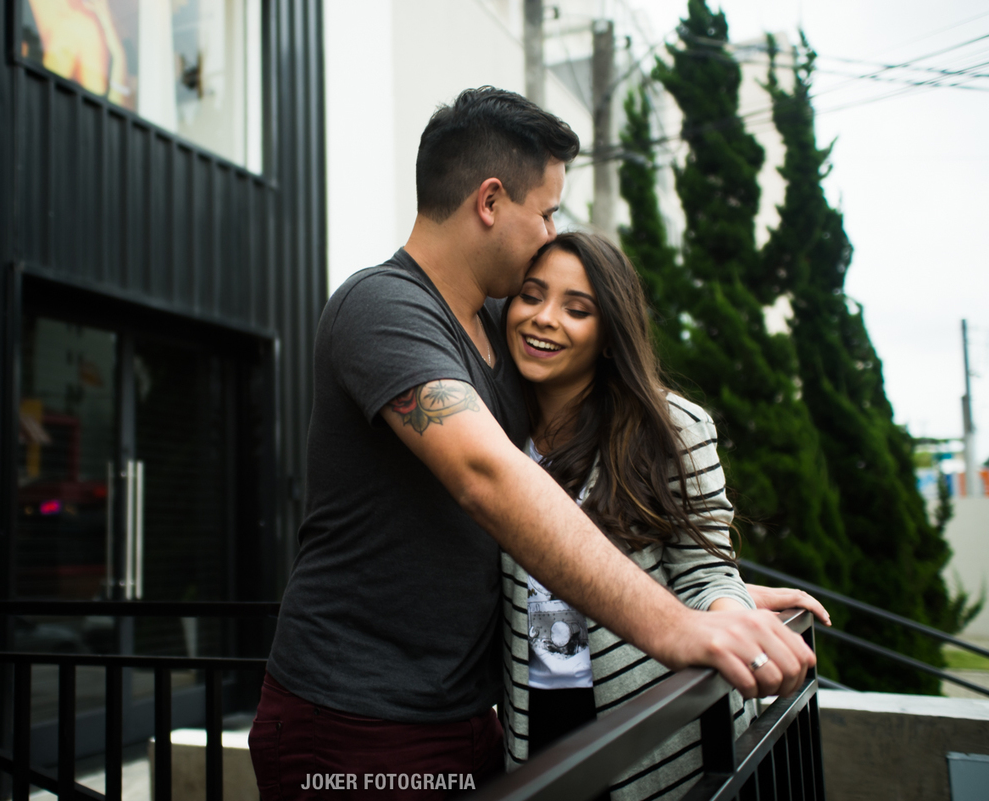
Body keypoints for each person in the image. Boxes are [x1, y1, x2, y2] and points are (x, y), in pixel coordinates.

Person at [249, 87, 816, 800]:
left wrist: (705, 592)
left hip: (469, 719)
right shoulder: (384, 308)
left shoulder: (499, 323)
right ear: (490, 201)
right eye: (546, 211)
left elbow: (580, 469)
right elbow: (487, 473)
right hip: (353, 723)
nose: (551, 231)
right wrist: (673, 625)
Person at [498, 232, 829, 799]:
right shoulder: (490, 430)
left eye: (577, 309)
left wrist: (734, 611)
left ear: (609, 336)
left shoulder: (671, 428)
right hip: (531, 718)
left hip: (647, 716)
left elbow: (704, 571)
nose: (545, 319)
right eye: (532, 296)